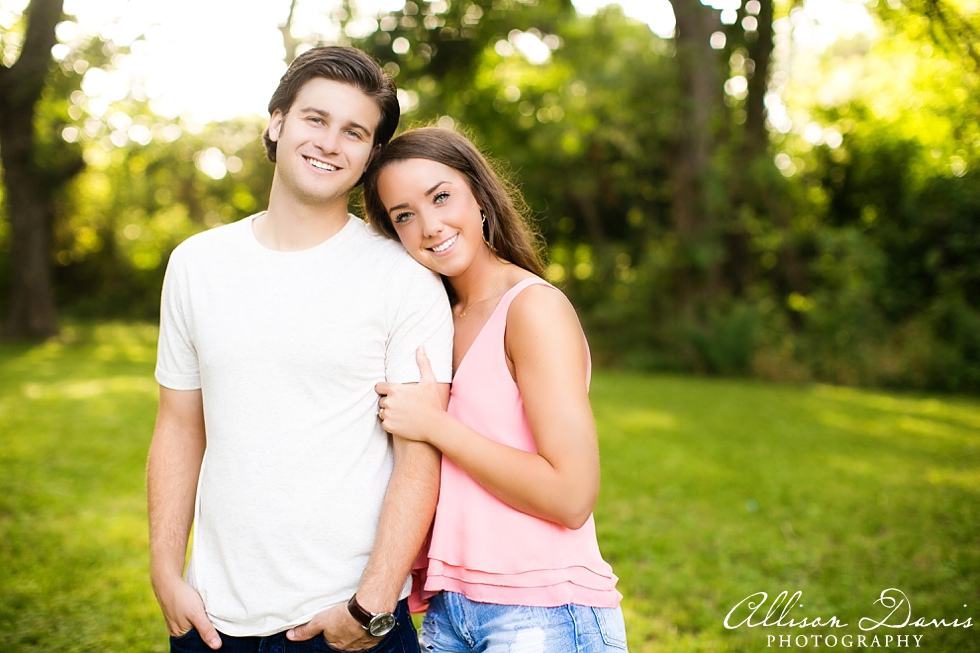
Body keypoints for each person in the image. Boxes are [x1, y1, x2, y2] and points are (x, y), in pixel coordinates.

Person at [147, 47, 453, 653]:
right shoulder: (196, 265)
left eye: (355, 132)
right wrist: (164, 570)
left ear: (369, 155)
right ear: (277, 122)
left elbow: (420, 458)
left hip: (343, 623)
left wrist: (369, 609)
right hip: (211, 621)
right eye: (316, 119)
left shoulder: (404, 279)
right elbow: (179, 425)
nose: (331, 143)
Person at [362, 127, 628, 652]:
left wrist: (438, 426)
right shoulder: (432, 318)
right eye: (404, 215)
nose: (430, 226)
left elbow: (572, 495)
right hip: (446, 610)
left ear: (479, 196)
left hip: (542, 611)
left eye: (441, 197)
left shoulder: (532, 309)